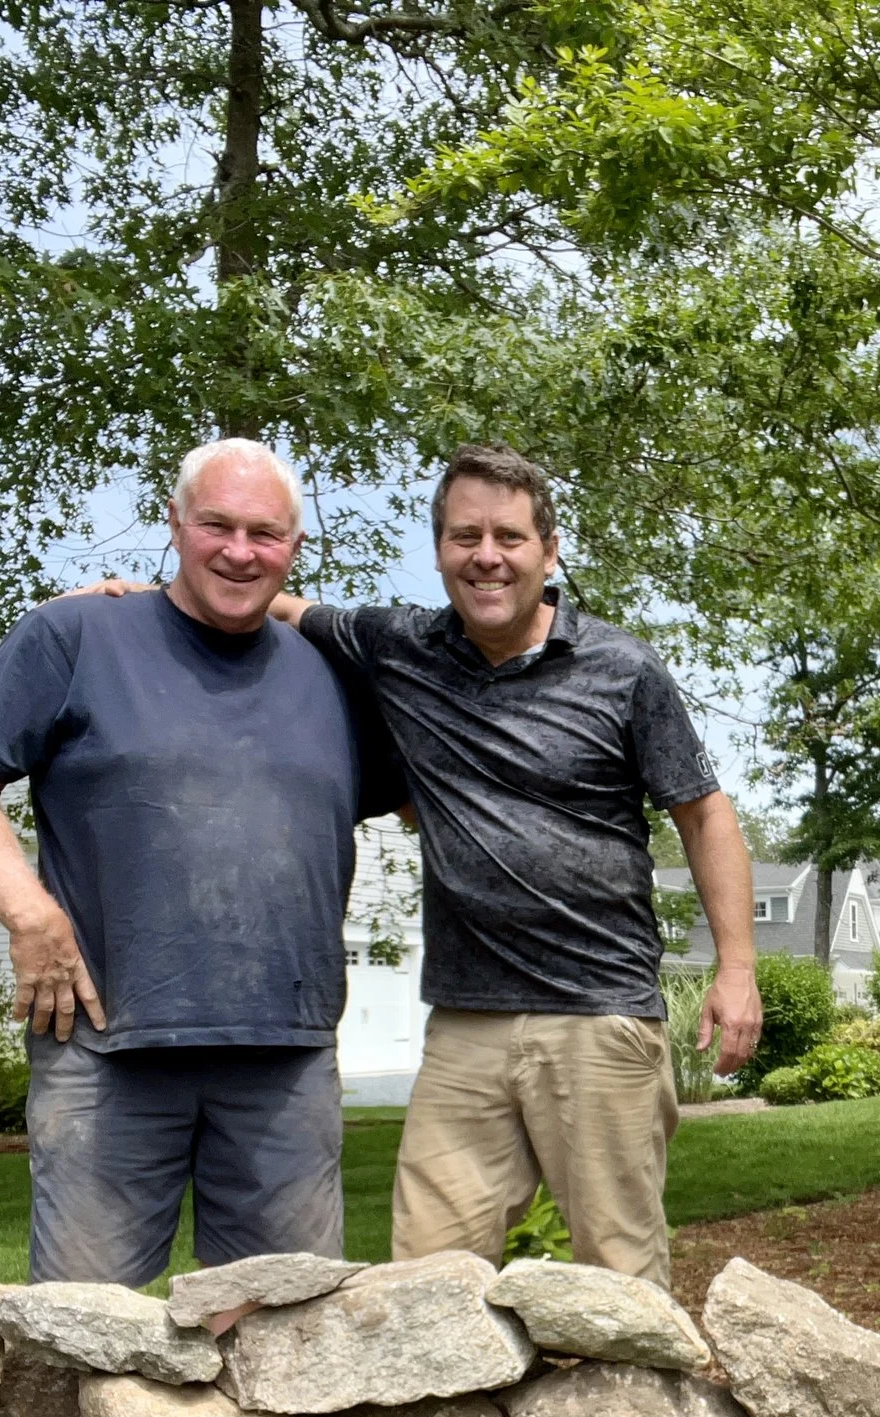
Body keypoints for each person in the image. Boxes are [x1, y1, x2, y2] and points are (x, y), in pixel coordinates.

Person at [0, 437, 403, 1285]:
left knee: (285, 1328)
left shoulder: (334, 673)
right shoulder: (77, 634)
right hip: (103, 1046)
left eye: (265, 533)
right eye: (217, 525)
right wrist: (30, 916)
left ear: (294, 547)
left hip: (285, 1055)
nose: (240, 551)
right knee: (84, 1326)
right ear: (174, 523)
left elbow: (437, 799)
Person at [284, 443, 760, 1288]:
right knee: (426, 1283)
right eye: (464, 536)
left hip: (599, 1015)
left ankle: (638, 1385)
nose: (487, 556)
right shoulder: (402, 646)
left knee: (621, 1281)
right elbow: (276, 603)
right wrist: (133, 605)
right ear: (439, 549)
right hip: (465, 1021)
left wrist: (737, 968)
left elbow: (702, 812)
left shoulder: (623, 668)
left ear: (550, 549)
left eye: (509, 536)